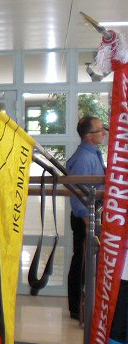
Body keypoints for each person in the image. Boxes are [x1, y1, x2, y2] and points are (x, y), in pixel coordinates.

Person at [66, 116, 106, 320]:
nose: (104, 132)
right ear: (89, 136)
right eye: (100, 130)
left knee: (86, 262)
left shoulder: (93, 153)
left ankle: (84, 305)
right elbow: (77, 192)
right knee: (81, 262)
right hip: (85, 218)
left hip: (92, 215)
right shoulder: (83, 158)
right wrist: (86, 218)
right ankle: (77, 308)